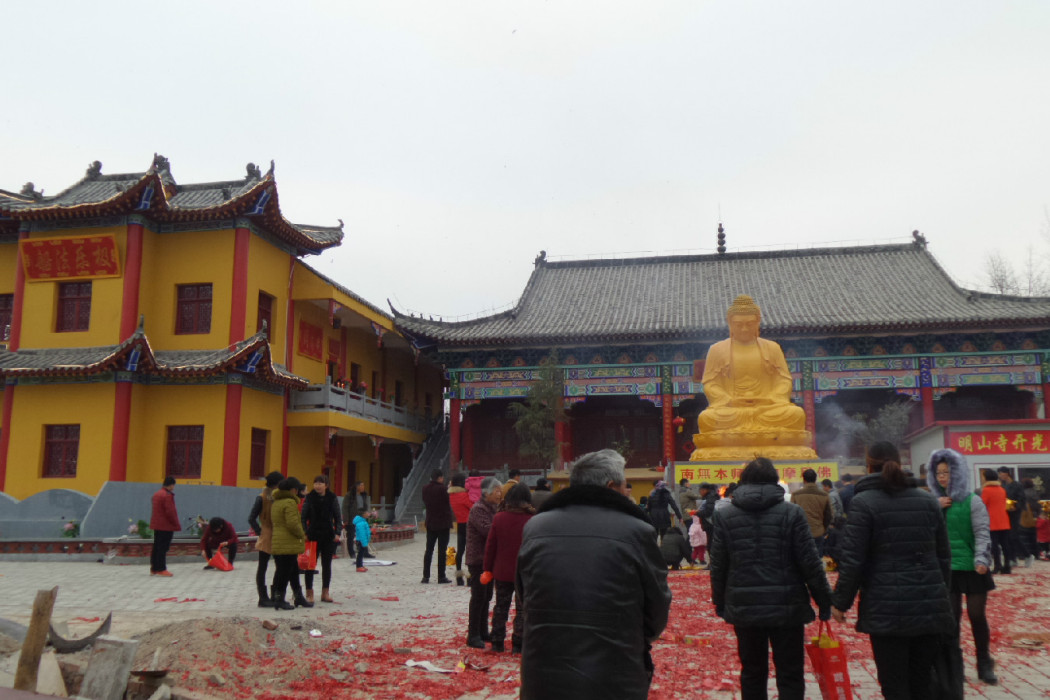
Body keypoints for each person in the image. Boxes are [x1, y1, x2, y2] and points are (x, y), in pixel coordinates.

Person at [517, 449, 671, 700]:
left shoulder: (535, 526)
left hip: (541, 669)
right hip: (614, 670)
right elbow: (657, 608)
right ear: (611, 487)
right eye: (624, 485)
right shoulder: (638, 530)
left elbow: (524, 594)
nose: (626, 491)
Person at [831, 442, 953, 699]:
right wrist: (940, 594)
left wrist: (841, 602)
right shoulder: (928, 501)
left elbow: (854, 559)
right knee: (921, 681)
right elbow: (943, 556)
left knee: (894, 683)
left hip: (885, 608)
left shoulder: (863, 502)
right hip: (928, 604)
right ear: (900, 463)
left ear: (868, 465)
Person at [710, 457, 832, 700]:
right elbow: (809, 562)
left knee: (752, 672)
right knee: (790, 672)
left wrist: (720, 602)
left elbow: (718, 564)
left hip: (745, 606)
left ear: (742, 481)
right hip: (788, 607)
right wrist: (825, 601)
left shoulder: (726, 516)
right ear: (776, 481)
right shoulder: (792, 513)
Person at [927, 449, 998, 684]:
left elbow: (982, 532)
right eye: (938, 473)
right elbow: (926, 533)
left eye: (947, 472)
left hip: (972, 567)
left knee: (977, 615)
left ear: (957, 474)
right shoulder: (931, 502)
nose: (942, 477)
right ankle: (953, 667)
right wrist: (935, 507)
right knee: (951, 619)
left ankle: (984, 663)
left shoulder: (972, 501)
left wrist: (982, 559)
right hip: (948, 569)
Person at [482, 482, 536, 653]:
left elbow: (491, 546)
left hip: (502, 571)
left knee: (500, 606)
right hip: (525, 572)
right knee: (522, 609)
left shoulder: (499, 518)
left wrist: (487, 568)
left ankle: (497, 640)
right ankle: (518, 643)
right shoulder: (532, 520)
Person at [465, 477, 502, 648]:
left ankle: (483, 631)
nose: (499, 494)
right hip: (478, 559)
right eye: (497, 491)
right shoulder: (478, 509)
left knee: (487, 597)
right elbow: (488, 530)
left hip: (488, 559)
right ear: (487, 492)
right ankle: (473, 635)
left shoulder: (493, 508)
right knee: (478, 596)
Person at [270, 477, 313, 610]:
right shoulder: (289, 502)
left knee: (293, 571)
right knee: (285, 572)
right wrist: (302, 534)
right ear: (293, 490)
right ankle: (279, 599)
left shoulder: (276, 502)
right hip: (288, 542)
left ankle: (298, 597)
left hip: (278, 540)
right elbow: (293, 523)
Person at [301, 474, 341, 603]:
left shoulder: (332, 497)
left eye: (320, 483)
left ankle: (325, 592)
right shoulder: (309, 498)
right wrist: (305, 532)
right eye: (316, 483)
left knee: (327, 565)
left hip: (328, 535)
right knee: (310, 565)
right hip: (313, 535)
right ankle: (309, 593)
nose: (318, 485)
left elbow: (338, 516)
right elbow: (303, 517)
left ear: (326, 485)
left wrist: (337, 532)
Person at [248, 471, 283, 606]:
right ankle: (263, 598)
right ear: (276, 484)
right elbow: (251, 518)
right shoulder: (262, 497)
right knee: (263, 566)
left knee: (279, 566)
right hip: (267, 534)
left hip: (278, 534)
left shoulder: (279, 496)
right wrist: (260, 532)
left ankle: (274, 595)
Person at [421, 469, 453, 584]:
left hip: (430, 522)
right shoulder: (443, 489)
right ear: (440, 478)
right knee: (442, 550)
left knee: (429, 550)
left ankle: (425, 576)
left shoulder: (425, 488)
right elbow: (447, 502)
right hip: (443, 523)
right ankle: (441, 576)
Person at [790, 469, 831, 556]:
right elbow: (829, 515)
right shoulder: (824, 495)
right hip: (818, 532)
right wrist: (823, 528)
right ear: (815, 480)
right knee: (817, 560)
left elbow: (791, 515)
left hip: (800, 534)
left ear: (804, 480)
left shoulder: (796, 495)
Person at [980, 468, 1012, 575]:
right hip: (1004, 520)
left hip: (992, 521)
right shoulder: (1002, 489)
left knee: (994, 545)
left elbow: (982, 505)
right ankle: (1007, 565)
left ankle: (997, 565)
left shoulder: (986, 490)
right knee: (1005, 544)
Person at [149, 476, 180, 577]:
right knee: (163, 548)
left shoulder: (156, 494)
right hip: (166, 525)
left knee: (156, 546)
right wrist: (175, 523)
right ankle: (161, 568)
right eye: (173, 485)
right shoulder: (167, 495)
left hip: (157, 524)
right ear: (171, 485)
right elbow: (170, 512)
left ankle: (154, 568)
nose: (173, 487)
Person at [998, 467, 1025, 569]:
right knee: (1008, 536)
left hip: (1015, 512)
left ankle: (1026, 554)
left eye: (1001, 474)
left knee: (1013, 535)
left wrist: (1016, 506)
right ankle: (1012, 558)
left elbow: (1022, 498)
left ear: (1006, 474)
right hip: (1006, 513)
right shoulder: (1003, 485)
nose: (1000, 476)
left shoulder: (1016, 485)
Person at [448, 473, 472, 586]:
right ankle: (470, 576)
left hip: (460, 524)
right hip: (469, 524)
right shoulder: (464, 495)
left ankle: (459, 577)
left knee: (460, 550)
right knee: (470, 551)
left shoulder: (451, 495)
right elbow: (472, 506)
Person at [341, 480, 371, 558]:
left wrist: (366, 513)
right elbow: (345, 507)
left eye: (363, 485)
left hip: (362, 517)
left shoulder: (363, 495)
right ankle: (352, 553)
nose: (363, 487)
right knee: (351, 536)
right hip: (352, 518)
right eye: (361, 485)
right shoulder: (349, 495)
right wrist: (346, 519)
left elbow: (365, 506)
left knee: (363, 535)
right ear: (357, 486)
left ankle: (365, 552)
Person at [1019, 477, 1041, 567]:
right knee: (1033, 537)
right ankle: (1036, 553)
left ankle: (1026, 553)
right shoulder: (1035, 493)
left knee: (1024, 537)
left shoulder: (1024, 494)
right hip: (1035, 516)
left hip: (1026, 517)